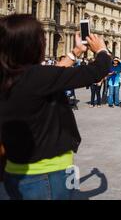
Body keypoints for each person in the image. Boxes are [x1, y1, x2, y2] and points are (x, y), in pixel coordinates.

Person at [0, 14, 110, 200]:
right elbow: (96, 71)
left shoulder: (11, 77)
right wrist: (101, 51)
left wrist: (75, 52)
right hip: (49, 174)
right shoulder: (37, 77)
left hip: (14, 170)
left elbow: (51, 76)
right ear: (31, 46)